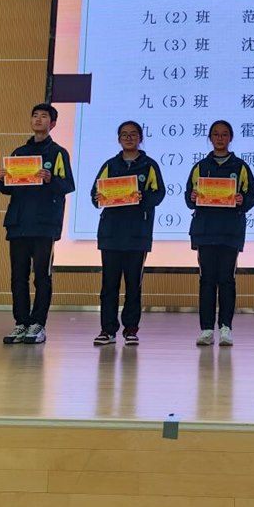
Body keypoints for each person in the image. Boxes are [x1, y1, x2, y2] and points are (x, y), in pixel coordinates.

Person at [0, 103, 75, 345]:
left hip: (44, 224)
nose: (38, 119)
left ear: (53, 123)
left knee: (42, 276)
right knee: (18, 276)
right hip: (18, 223)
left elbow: (67, 185)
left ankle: (38, 323)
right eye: (35, 116)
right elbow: (8, 189)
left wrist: (50, 179)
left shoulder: (58, 153)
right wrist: (1, 179)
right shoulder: (19, 152)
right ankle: (21, 323)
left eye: (44, 116)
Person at [90, 121, 165, 346]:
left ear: (140, 138)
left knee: (134, 286)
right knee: (109, 285)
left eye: (133, 134)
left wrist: (142, 197)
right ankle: (107, 330)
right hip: (111, 234)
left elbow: (158, 194)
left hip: (137, 235)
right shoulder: (110, 165)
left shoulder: (149, 166)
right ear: (118, 139)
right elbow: (94, 195)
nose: (129, 138)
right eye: (124, 134)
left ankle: (131, 329)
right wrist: (99, 197)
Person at [185, 120, 254, 347]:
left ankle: (226, 327)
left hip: (230, 232)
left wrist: (242, 200)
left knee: (227, 280)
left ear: (230, 138)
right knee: (206, 280)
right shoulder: (200, 167)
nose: (220, 138)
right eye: (216, 134)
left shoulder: (240, 167)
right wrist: (193, 197)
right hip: (205, 231)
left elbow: (252, 197)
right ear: (210, 138)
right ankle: (206, 329)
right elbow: (189, 197)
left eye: (224, 134)